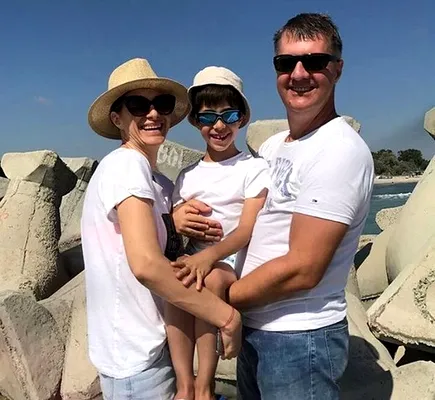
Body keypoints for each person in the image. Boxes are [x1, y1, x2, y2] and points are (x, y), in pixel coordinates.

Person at [225, 13, 375, 399]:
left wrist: (221, 299)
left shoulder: (339, 150)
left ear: (337, 69)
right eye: (286, 62)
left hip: (299, 340)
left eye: (314, 61)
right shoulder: (273, 146)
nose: (298, 73)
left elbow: (303, 269)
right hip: (255, 330)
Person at [81, 58, 242, 400]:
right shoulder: (127, 165)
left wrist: (172, 219)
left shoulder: (159, 184)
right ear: (117, 118)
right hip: (137, 357)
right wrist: (226, 317)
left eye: (162, 104)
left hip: (154, 346)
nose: (153, 114)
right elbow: (147, 265)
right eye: (138, 105)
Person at [165, 66, 269, 400]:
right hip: (197, 256)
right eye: (208, 117)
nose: (219, 126)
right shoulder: (187, 175)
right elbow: (175, 228)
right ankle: (185, 384)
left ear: (242, 118)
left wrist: (208, 257)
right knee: (172, 281)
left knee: (207, 280)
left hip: (231, 261)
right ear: (196, 121)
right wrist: (178, 220)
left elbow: (246, 230)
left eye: (229, 115)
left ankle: (205, 385)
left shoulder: (253, 168)